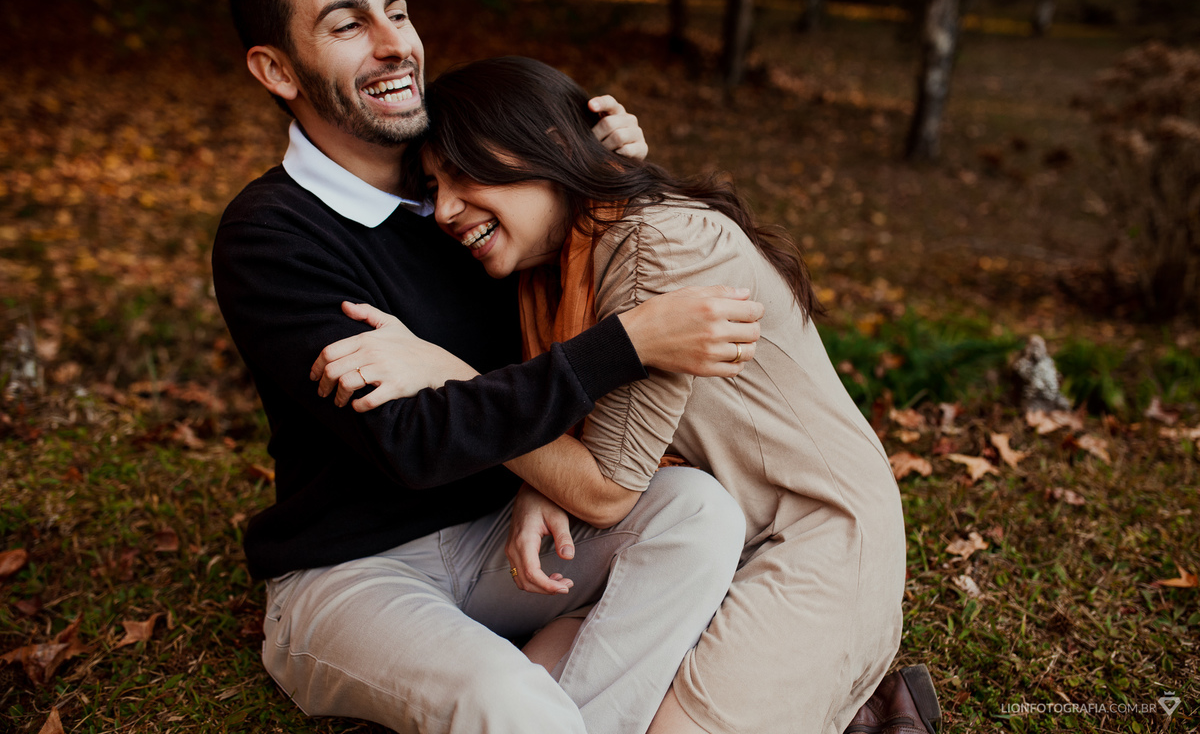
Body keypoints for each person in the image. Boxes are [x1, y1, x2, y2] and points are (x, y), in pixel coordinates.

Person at [213, 0, 769, 733]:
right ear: (276, 71)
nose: (394, 42)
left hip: (506, 538)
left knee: (698, 514)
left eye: (397, 12)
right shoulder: (271, 237)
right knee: (502, 700)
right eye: (348, 25)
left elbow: (555, 303)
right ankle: (540, 687)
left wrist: (588, 176)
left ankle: (564, 699)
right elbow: (413, 440)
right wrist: (630, 343)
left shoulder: (469, 183)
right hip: (353, 571)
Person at [313, 56, 943, 734]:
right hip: (700, 545)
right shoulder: (561, 261)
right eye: (432, 186)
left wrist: (444, 372)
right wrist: (538, 487)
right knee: (552, 703)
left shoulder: (652, 246)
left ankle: (866, 710)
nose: (444, 209)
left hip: (806, 537)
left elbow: (605, 489)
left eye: (464, 173)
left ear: (550, 148)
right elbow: (593, 411)